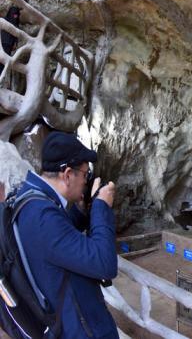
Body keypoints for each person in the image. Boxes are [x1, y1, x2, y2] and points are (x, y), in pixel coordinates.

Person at [15, 131, 118, 338]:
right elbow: (105, 263)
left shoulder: (31, 200)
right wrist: (100, 207)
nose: (86, 181)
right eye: (85, 174)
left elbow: (56, 242)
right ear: (68, 175)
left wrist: (80, 211)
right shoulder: (43, 217)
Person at [1, 0, 30, 76]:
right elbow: (14, 27)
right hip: (7, 40)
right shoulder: (14, 10)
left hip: (5, 39)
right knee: (3, 60)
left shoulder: (13, 10)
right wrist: (15, 42)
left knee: (3, 60)